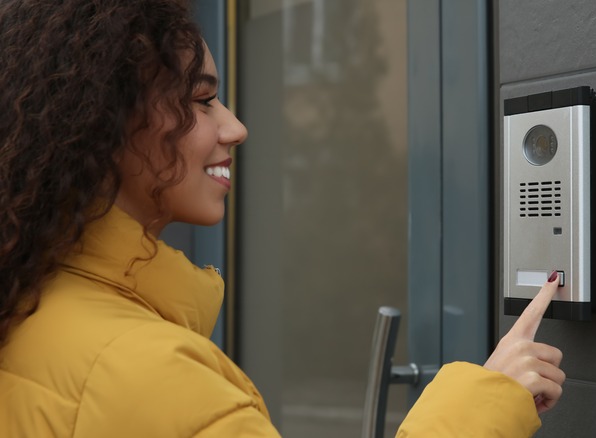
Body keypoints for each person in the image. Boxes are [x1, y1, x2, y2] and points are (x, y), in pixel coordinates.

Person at [0, 0, 565, 436]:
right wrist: (487, 402)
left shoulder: (29, 306)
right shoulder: (160, 378)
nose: (235, 127)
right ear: (104, 121)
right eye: (201, 101)